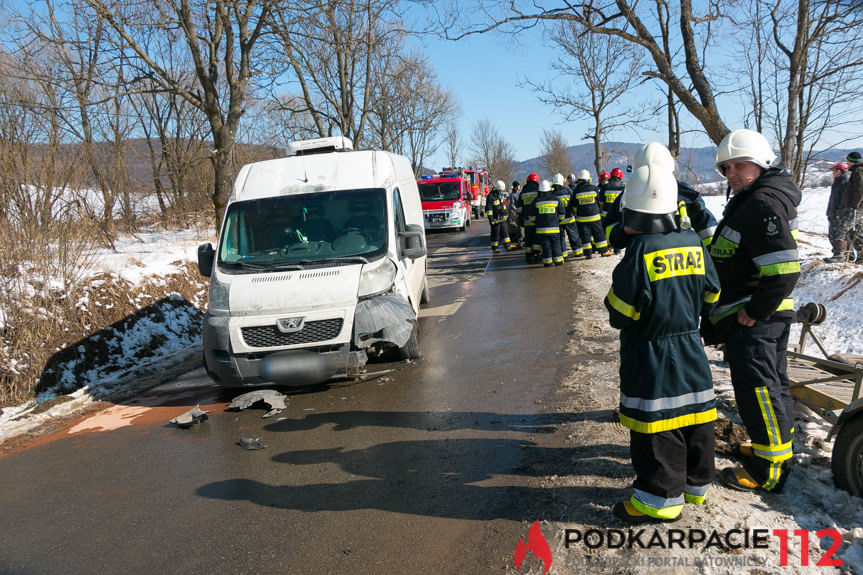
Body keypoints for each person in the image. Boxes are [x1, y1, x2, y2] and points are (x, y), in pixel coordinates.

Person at [604, 142, 721, 523]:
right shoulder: (694, 243)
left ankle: (658, 500)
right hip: (690, 345)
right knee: (695, 413)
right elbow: (712, 294)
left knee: (656, 425)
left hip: (651, 353)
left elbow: (620, 312)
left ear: (635, 212)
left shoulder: (640, 253)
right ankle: (696, 486)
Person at [706, 129, 801, 493]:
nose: (731, 174)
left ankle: (768, 471)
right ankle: (771, 449)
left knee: (760, 390)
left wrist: (755, 312)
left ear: (761, 164)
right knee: (772, 387)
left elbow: (784, 268)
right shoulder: (753, 198)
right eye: (727, 167)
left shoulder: (761, 203)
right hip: (762, 316)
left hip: (757, 318)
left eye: (739, 165)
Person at [604, 179, 717, 252]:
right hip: (644, 259)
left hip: (683, 262)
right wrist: (624, 231)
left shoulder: (685, 195)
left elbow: (707, 229)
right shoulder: (627, 196)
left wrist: (713, 255)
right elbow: (610, 231)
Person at [572, 170, 612, 258]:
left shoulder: (576, 190)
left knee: (585, 236)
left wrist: (575, 214)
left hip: (581, 218)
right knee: (599, 234)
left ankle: (588, 253)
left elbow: (574, 205)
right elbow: (599, 201)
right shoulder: (593, 188)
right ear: (588, 179)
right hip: (594, 216)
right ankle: (604, 251)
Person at [835, 151, 863, 263]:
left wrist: (854, 206)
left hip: (857, 207)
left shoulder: (859, 171)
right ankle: (861, 256)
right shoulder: (857, 171)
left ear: (852, 161)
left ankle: (839, 255)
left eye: (848, 161)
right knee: (855, 231)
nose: (847, 163)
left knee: (842, 228)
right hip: (857, 207)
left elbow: (860, 189)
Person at [533, 179, 565, 267]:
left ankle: (547, 263)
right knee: (556, 245)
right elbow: (562, 214)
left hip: (541, 230)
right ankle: (558, 261)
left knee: (546, 247)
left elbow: (532, 217)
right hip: (554, 229)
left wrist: (537, 222)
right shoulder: (556, 199)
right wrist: (558, 221)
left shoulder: (536, 201)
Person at [553, 173, 582, 260]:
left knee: (561, 238)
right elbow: (574, 203)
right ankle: (578, 252)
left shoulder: (552, 194)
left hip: (559, 220)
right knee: (574, 236)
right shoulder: (569, 191)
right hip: (569, 218)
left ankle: (563, 254)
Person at [825, 162, 850, 262]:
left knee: (837, 234)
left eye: (834, 171)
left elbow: (844, 200)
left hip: (839, 214)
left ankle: (839, 255)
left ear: (839, 171)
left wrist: (839, 213)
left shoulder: (844, 182)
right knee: (834, 234)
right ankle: (848, 255)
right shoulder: (838, 181)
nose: (832, 173)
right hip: (833, 213)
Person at [516, 173, 541, 262]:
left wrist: (520, 219)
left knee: (528, 238)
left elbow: (519, 208)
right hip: (537, 220)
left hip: (526, 220)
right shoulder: (538, 189)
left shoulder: (524, 191)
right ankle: (536, 254)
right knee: (536, 238)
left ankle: (528, 255)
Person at [486, 180, 511, 252]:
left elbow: (503, 207)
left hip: (502, 219)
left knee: (505, 233)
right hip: (495, 220)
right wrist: (491, 220)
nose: (500, 191)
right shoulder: (490, 197)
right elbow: (489, 210)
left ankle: (507, 245)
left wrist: (506, 214)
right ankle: (495, 248)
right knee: (495, 235)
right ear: (497, 188)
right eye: (500, 190)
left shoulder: (499, 196)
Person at [508, 180, 524, 248]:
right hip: (516, 213)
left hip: (522, 211)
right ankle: (519, 239)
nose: (519, 187)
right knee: (519, 226)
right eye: (517, 186)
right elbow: (512, 205)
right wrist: (517, 211)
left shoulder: (521, 193)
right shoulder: (512, 195)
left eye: (519, 186)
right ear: (515, 187)